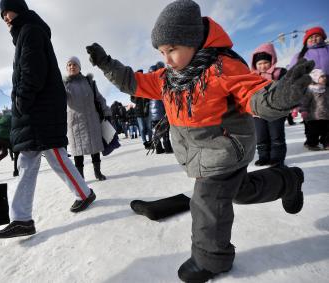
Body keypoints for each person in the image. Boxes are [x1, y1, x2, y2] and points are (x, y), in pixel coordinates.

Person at [86, 0, 313, 281]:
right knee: (241, 192)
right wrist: (107, 64)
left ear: (193, 42)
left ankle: (211, 260)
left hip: (223, 150)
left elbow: (253, 95)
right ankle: (289, 181)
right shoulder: (169, 77)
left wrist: (278, 97)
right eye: (161, 51)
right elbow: (134, 82)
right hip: (201, 154)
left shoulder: (222, 68)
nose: (166, 59)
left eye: (172, 50)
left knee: (207, 203)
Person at [0, 0, 96, 239]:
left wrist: (21, 100)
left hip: (38, 110)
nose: (5, 18)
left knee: (42, 158)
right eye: (1, 16)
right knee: (43, 159)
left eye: (6, 12)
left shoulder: (29, 31)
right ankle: (24, 217)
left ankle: (23, 218)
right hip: (39, 109)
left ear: (18, 8)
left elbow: (32, 71)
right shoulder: (27, 32)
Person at [64, 56, 111, 181]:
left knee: (95, 148)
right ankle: (80, 177)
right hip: (75, 122)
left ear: (79, 67)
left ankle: (98, 173)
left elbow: (99, 98)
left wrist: (107, 112)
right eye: (69, 65)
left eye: (74, 64)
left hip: (92, 119)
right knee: (78, 152)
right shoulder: (64, 84)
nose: (72, 66)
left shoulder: (88, 81)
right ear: (67, 68)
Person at [250, 43, 287, 167]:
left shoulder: (279, 73)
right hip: (257, 113)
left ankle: (277, 158)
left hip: (275, 111)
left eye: (265, 62)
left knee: (276, 135)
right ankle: (264, 157)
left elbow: (287, 88)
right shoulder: (251, 77)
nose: (262, 66)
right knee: (261, 136)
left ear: (272, 61)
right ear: (255, 65)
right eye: (259, 63)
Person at [299, 69, 329, 150]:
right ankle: (311, 144)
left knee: (327, 131)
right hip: (313, 116)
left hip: (326, 115)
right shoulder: (310, 90)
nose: (324, 78)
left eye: (325, 76)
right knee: (313, 132)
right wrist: (303, 110)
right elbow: (304, 102)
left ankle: (326, 143)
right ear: (315, 78)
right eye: (322, 77)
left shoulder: (326, 89)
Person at [148, 62, 173, 154]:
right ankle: (167, 148)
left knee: (155, 131)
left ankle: (158, 149)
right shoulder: (161, 79)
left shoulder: (150, 81)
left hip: (152, 112)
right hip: (162, 110)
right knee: (165, 130)